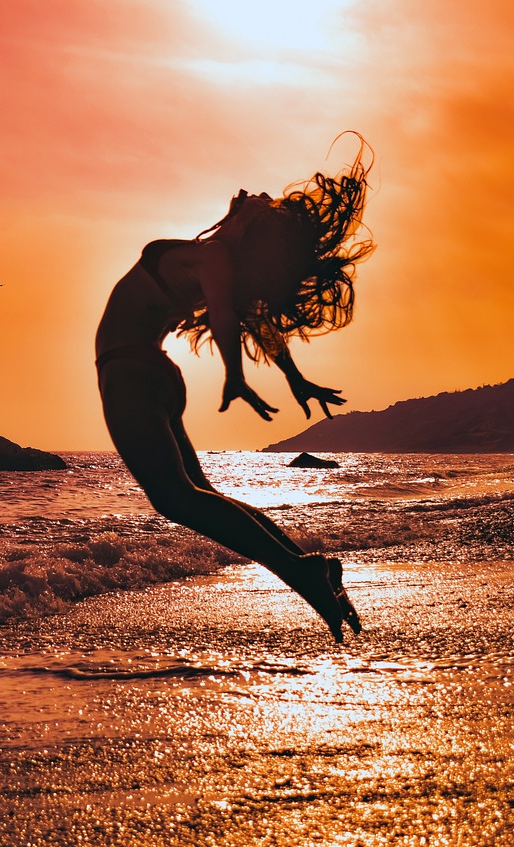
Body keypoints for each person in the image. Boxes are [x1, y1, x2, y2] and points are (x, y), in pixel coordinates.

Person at [95, 137, 374, 642]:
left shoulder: (214, 257)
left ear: (252, 229)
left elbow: (226, 318)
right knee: (197, 495)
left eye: (255, 203)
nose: (246, 195)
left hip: (130, 373)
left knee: (177, 499)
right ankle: (305, 568)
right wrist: (295, 379)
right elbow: (256, 323)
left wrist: (235, 374)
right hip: (154, 373)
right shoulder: (216, 260)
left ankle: (302, 573)